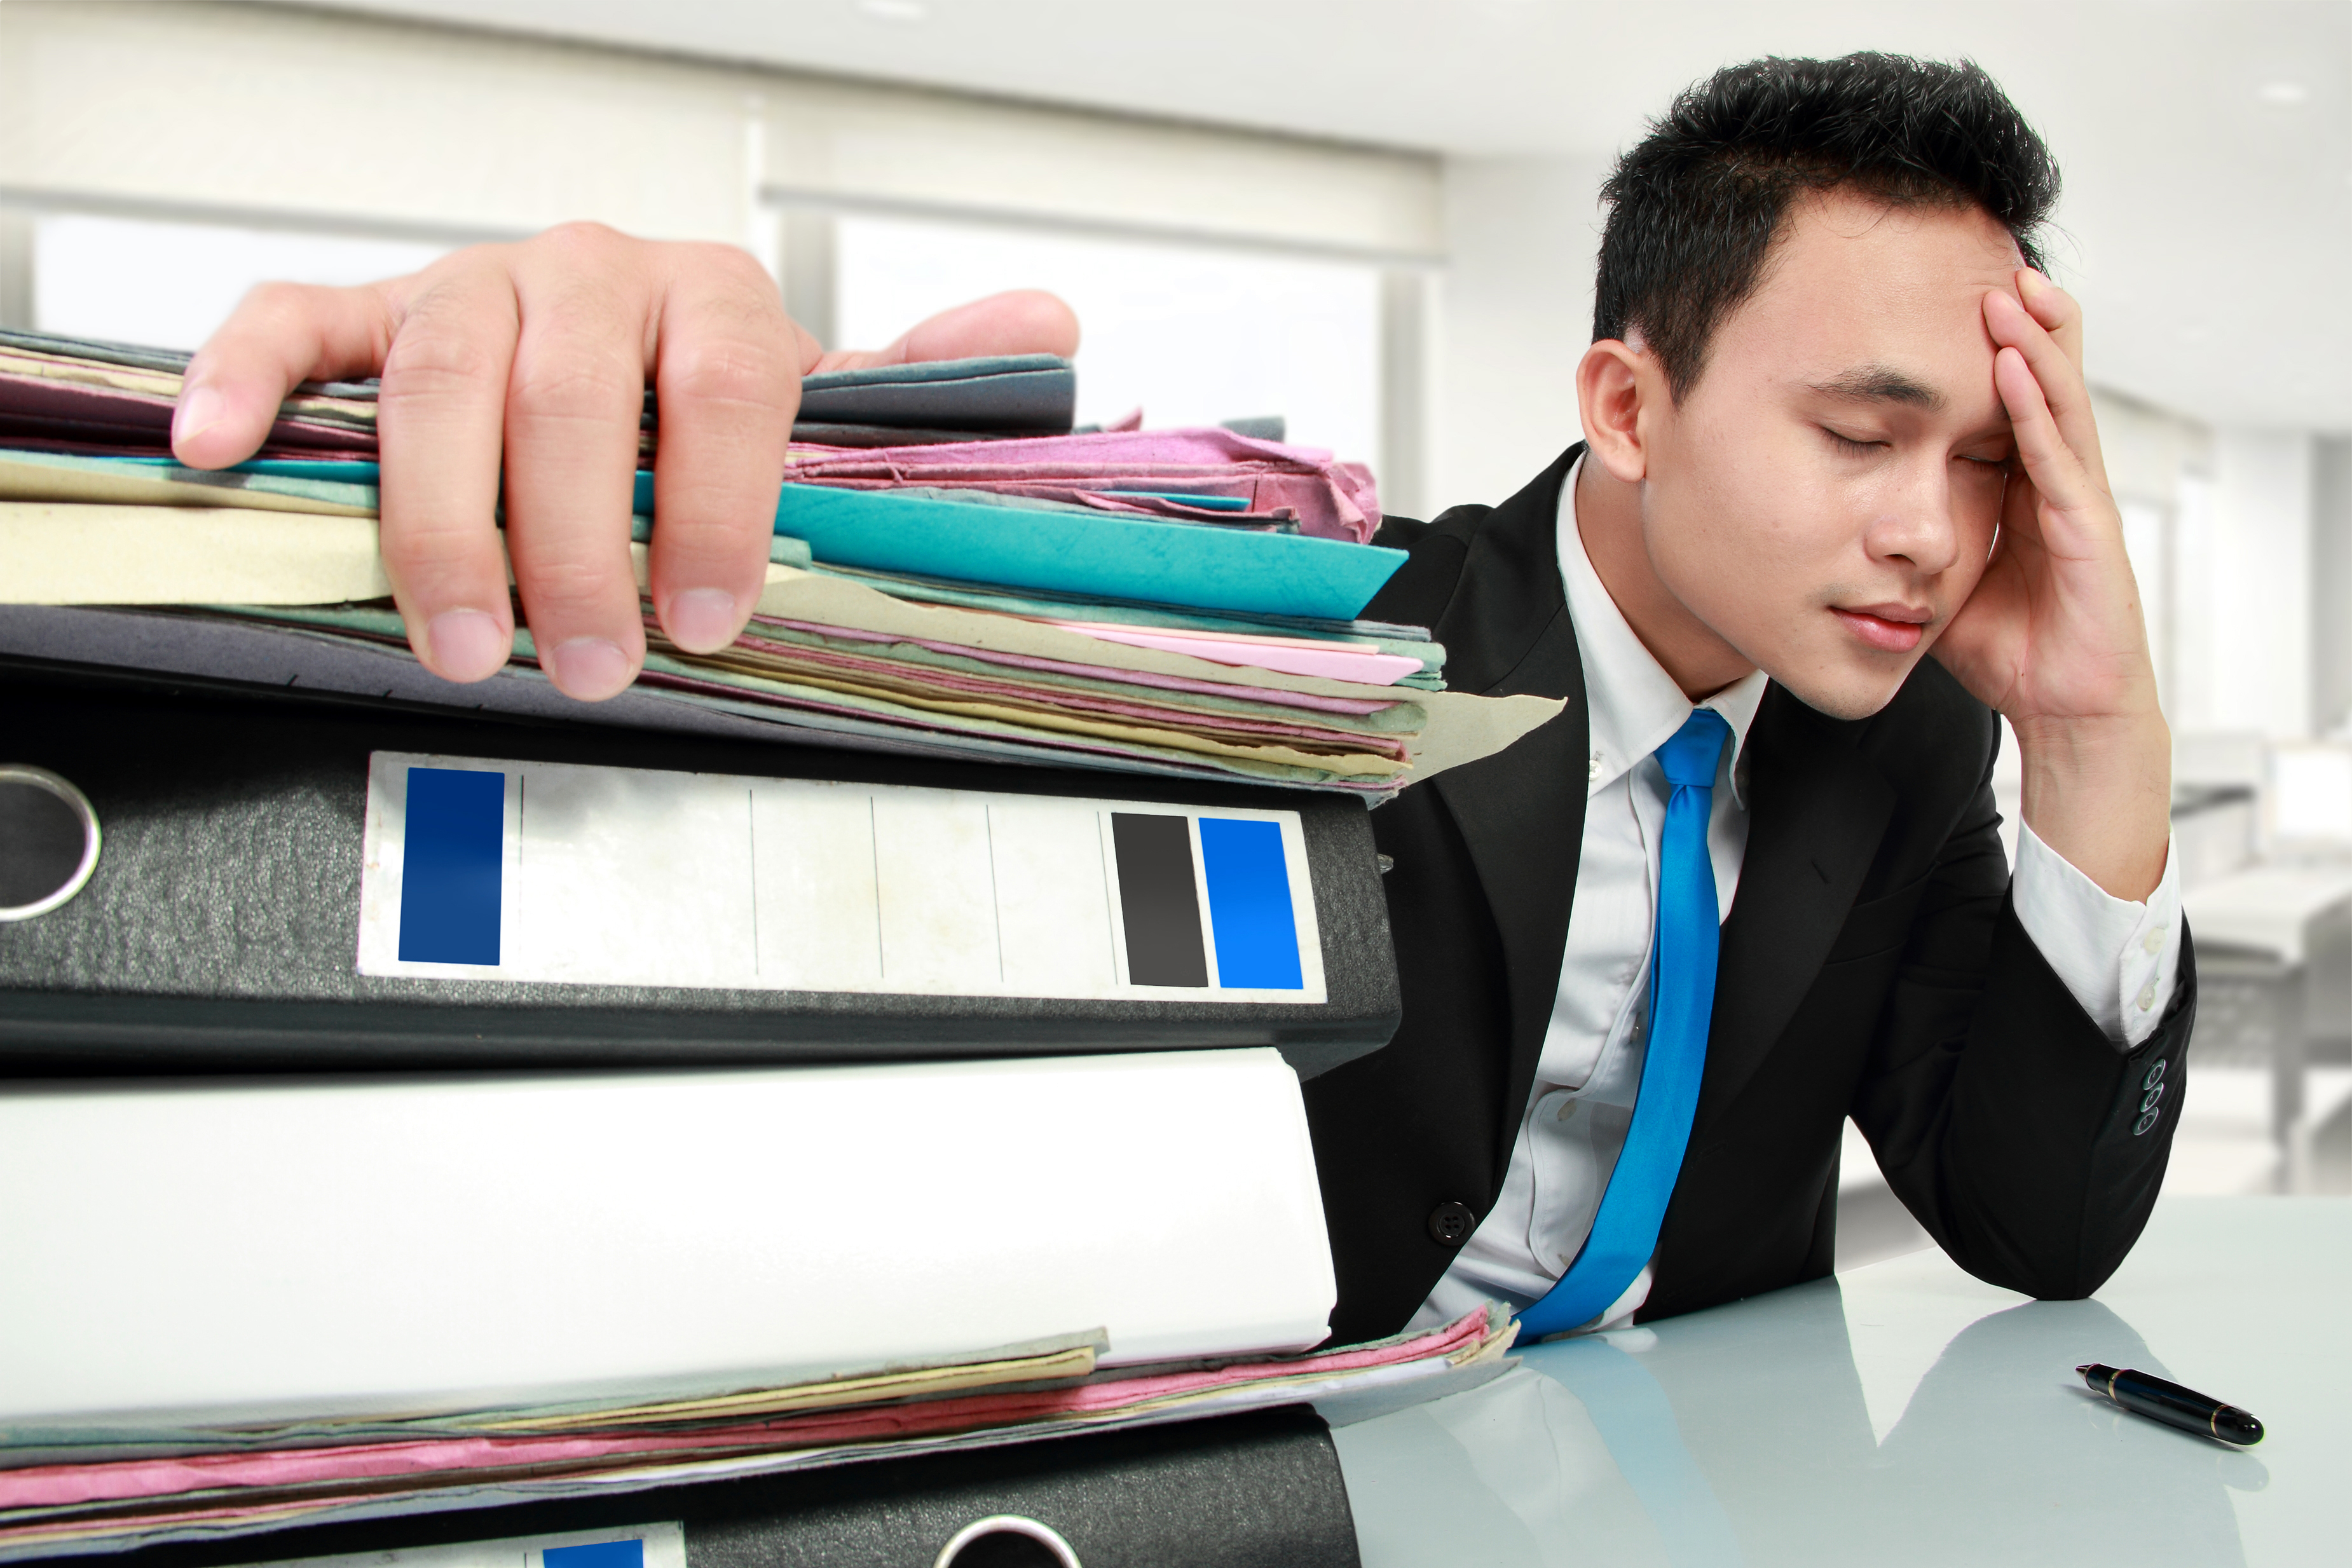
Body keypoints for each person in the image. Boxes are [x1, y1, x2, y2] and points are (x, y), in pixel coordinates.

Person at [171, 51, 2191, 1346]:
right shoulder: (1312, 647)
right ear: (1624, 405)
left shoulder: (1905, 735)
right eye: (1863, 431)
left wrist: (2091, 736)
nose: (1934, 532)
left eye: (1991, 465)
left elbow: (2030, 1223)